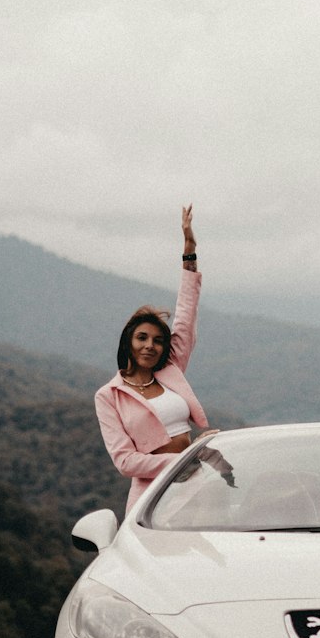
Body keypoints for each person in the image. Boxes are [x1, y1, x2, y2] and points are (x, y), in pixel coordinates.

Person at [95, 205, 211, 513]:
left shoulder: (171, 371)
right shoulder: (109, 396)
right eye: (142, 338)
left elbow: (185, 319)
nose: (150, 346)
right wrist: (183, 461)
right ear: (128, 343)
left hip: (198, 484)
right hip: (155, 497)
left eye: (159, 341)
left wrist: (189, 252)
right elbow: (125, 461)